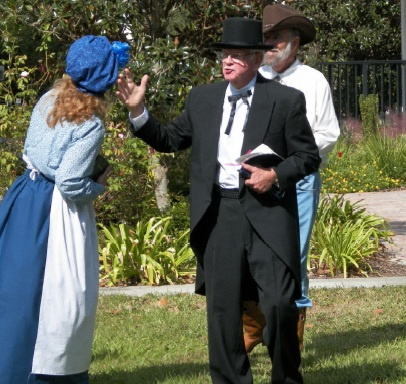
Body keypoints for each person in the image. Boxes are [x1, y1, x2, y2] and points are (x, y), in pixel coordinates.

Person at [116, 17, 320, 384]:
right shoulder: (203, 99)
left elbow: (307, 156)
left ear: (257, 60)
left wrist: (274, 175)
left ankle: (287, 377)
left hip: (268, 212)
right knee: (223, 311)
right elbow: (169, 139)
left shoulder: (286, 100)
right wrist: (137, 111)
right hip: (219, 213)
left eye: (238, 56)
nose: (228, 62)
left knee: (278, 304)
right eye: (225, 55)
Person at [0, 35, 129, 383]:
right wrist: (98, 184)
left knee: (16, 288)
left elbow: (35, 148)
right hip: (53, 214)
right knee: (56, 297)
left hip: (24, 196)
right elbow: (71, 182)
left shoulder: (48, 98)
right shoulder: (90, 124)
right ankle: (45, 374)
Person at [241, 3, 340, 353]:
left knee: (291, 256)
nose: (269, 46)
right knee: (249, 252)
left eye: (277, 38)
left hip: (297, 182)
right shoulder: (253, 79)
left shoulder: (312, 81)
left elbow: (328, 134)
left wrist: (289, 163)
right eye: (265, 39)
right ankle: (253, 323)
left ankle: (290, 337)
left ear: (294, 43)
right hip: (252, 179)